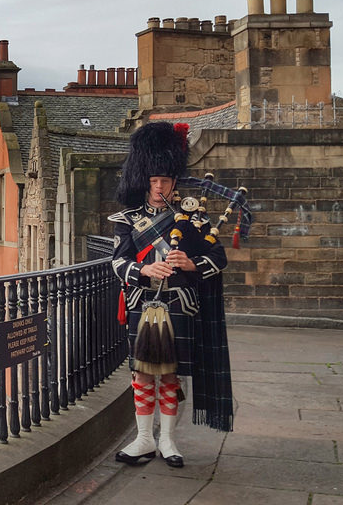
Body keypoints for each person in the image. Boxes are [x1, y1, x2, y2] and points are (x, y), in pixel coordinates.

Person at [108, 121, 234, 468]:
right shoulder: (128, 219)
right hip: (141, 303)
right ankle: (144, 438)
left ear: (175, 181)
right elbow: (117, 262)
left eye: (165, 180)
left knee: (171, 374)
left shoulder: (194, 220)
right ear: (143, 182)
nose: (159, 186)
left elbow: (218, 259)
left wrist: (192, 264)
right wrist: (143, 270)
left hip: (179, 303)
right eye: (153, 181)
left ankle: (167, 439)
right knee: (142, 373)